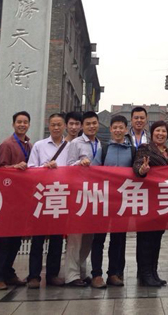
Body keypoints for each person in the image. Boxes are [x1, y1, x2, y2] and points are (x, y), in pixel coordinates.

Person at [90, 114, 136, 288]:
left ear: (126, 130)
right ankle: (96, 274)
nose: (118, 130)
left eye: (121, 127)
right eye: (115, 127)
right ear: (110, 129)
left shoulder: (132, 151)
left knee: (118, 239)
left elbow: (137, 172)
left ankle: (113, 273)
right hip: (103, 201)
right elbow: (93, 171)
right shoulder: (103, 149)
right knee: (99, 239)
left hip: (122, 202)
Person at [0, 111, 32, 290]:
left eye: (25, 122)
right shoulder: (8, 144)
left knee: (16, 239)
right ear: (13, 124)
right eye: (19, 122)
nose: (22, 125)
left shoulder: (29, 144)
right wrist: (15, 167)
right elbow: (1, 170)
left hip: (21, 199)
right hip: (7, 199)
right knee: (4, 240)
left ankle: (8, 272)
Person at [26, 112, 70, 288]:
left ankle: (52, 274)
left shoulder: (70, 147)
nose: (56, 128)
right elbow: (30, 168)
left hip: (61, 196)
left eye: (59, 124)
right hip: (42, 196)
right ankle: (33, 276)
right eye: (53, 125)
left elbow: (74, 168)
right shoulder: (39, 145)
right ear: (48, 126)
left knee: (57, 238)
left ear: (64, 126)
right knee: (38, 238)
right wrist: (44, 168)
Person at [133, 120, 168, 287]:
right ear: (152, 133)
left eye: (164, 131)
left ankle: (153, 272)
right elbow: (137, 167)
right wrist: (142, 170)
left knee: (157, 238)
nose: (161, 134)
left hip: (163, 200)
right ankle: (144, 274)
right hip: (147, 199)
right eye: (157, 131)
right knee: (145, 239)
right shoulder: (145, 148)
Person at [65, 111, 102, 287]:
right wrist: (79, 163)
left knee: (89, 237)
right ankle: (71, 275)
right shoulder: (76, 143)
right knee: (75, 237)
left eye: (94, 123)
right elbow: (68, 166)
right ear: (82, 126)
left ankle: (81, 271)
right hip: (78, 193)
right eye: (88, 124)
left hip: (94, 194)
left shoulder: (99, 144)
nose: (91, 126)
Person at [128, 105, 149, 280]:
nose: (139, 121)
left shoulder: (150, 139)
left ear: (146, 120)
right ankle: (116, 272)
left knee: (145, 232)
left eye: (142, 118)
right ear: (131, 120)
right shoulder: (124, 137)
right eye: (136, 118)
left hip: (146, 190)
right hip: (125, 189)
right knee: (119, 233)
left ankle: (144, 271)